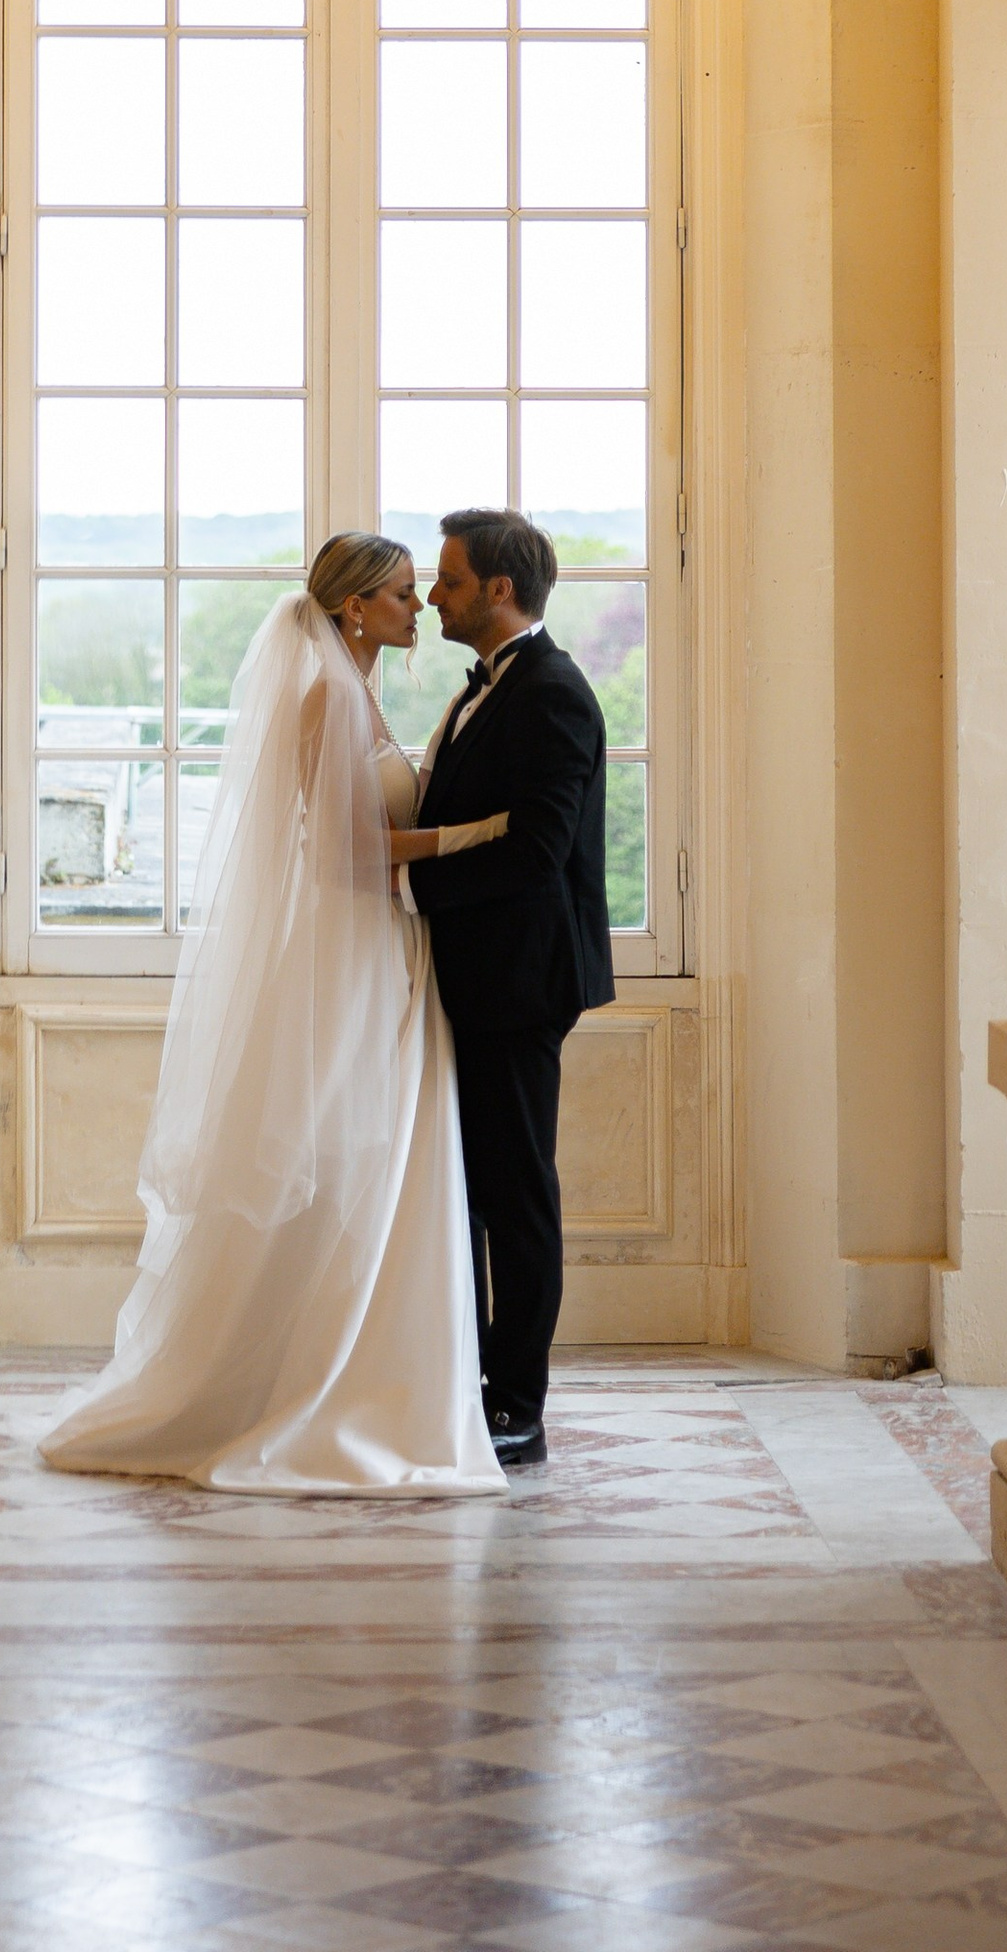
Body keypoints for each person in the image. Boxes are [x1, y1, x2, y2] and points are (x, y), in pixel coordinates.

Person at [38, 535, 507, 1494]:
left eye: (422, 593)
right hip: (350, 952)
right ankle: (304, 1380)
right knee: (340, 1160)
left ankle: (384, 1372)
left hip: (388, 946)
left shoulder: (361, 694)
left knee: (382, 1164)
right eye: (403, 595)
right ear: (354, 610)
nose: (418, 610)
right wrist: (472, 836)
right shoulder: (324, 698)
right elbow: (341, 854)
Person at [406, 509, 614, 1468]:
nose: (434, 597)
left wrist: (408, 879)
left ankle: (518, 1406)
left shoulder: (555, 693)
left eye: (448, 581)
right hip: (473, 975)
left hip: (522, 983)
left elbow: (535, 850)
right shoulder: (485, 691)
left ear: (498, 590)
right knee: (476, 1192)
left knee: (518, 1192)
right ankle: (473, 1380)